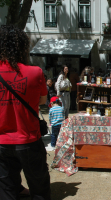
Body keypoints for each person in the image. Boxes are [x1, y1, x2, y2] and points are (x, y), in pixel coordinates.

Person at [0, 25, 51, 199]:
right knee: (39, 187)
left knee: (6, 190)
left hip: (1, 142)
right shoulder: (35, 72)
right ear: (23, 46)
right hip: (28, 139)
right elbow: (42, 101)